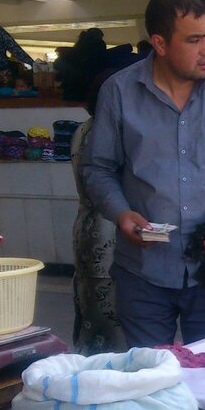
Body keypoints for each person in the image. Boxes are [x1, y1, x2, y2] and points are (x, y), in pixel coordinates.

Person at [84, 0, 205, 348]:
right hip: (143, 271)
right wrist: (121, 213)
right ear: (160, 43)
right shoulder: (118, 92)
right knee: (149, 382)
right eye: (194, 40)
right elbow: (97, 169)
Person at [70, 75, 125, 355]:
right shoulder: (109, 133)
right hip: (112, 233)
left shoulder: (84, 129)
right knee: (111, 321)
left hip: (87, 229)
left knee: (90, 312)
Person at [55, 28, 109, 103]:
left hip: (72, 85)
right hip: (86, 84)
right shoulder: (98, 44)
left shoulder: (80, 45)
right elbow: (98, 62)